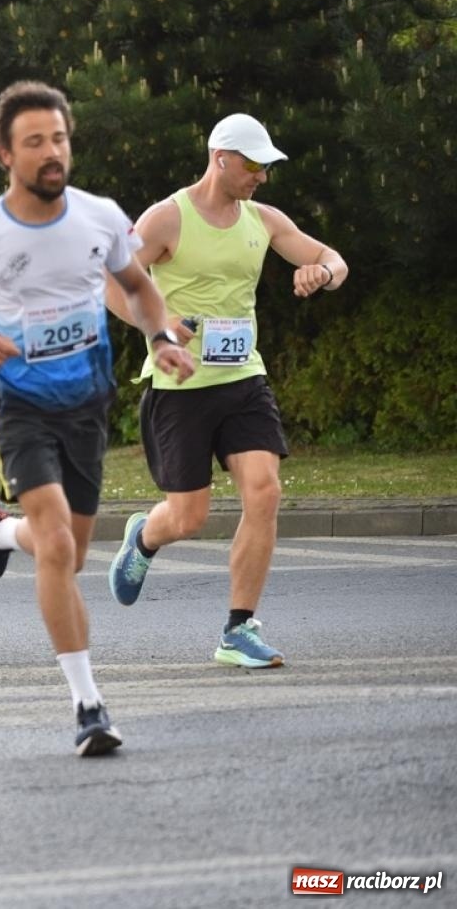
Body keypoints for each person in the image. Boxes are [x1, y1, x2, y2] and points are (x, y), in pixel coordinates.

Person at [0, 81, 195, 756]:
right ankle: (89, 706)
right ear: (5, 153)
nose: (51, 152)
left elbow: (140, 289)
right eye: (35, 142)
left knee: (67, 545)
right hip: (20, 407)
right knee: (60, 547)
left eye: (59, 138)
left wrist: (161, 338)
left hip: (87, 406)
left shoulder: (99, 217)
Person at [104, 113, 348, 669]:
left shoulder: (263, 219)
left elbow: (331, 257)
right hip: (180, 387)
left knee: (264, 490)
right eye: (254, 164)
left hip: (244, 380)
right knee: (188, 518)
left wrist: (323, 274)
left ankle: (238, 629)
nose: (261, 176)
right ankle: (144, 537)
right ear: (221, 158)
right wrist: (157, 326)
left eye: (266, 166)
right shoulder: (168, 218)